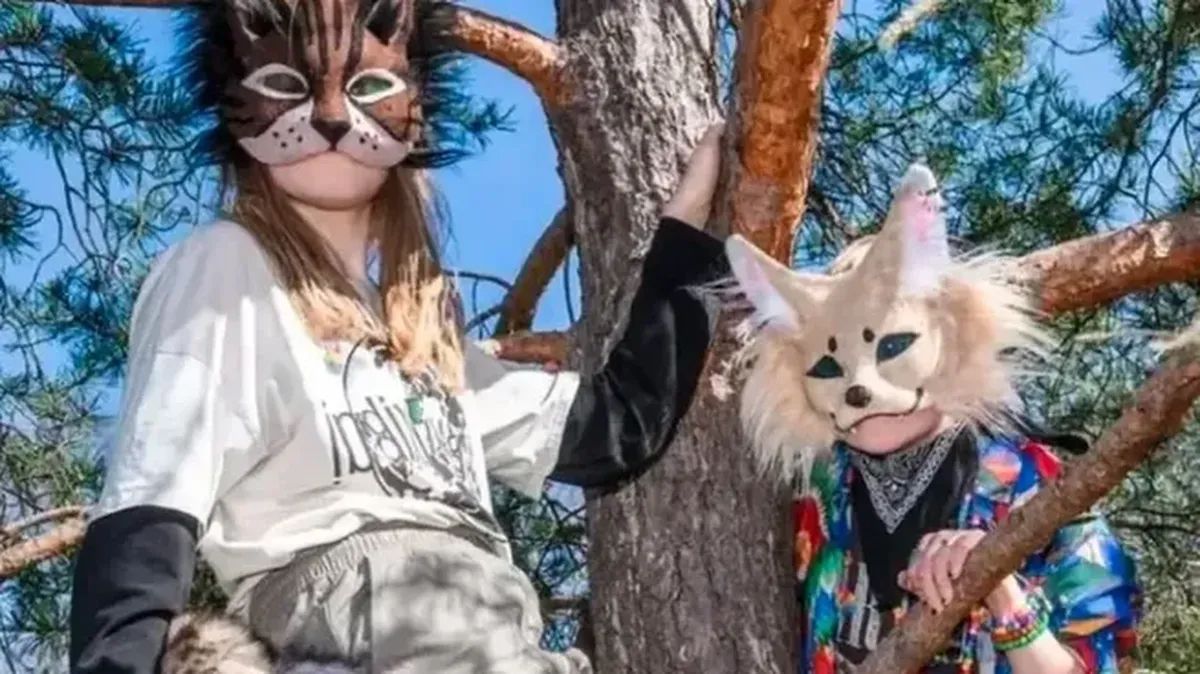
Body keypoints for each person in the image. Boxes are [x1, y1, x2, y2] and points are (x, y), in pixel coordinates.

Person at [67, 0, 729, 670]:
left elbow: (618, 425)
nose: (330, 116)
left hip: (494, 638)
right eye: (286, 84)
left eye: (370, 86)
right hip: (349, 628)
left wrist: (687, 236)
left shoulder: (425, 349)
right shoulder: (225, 267)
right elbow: (151, 492)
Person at [724, 163, 1141, 673]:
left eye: (892, 347)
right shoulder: (816, 499)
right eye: (830, 367)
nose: (859, 386)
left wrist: (999, 588)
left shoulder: (1038, 486)